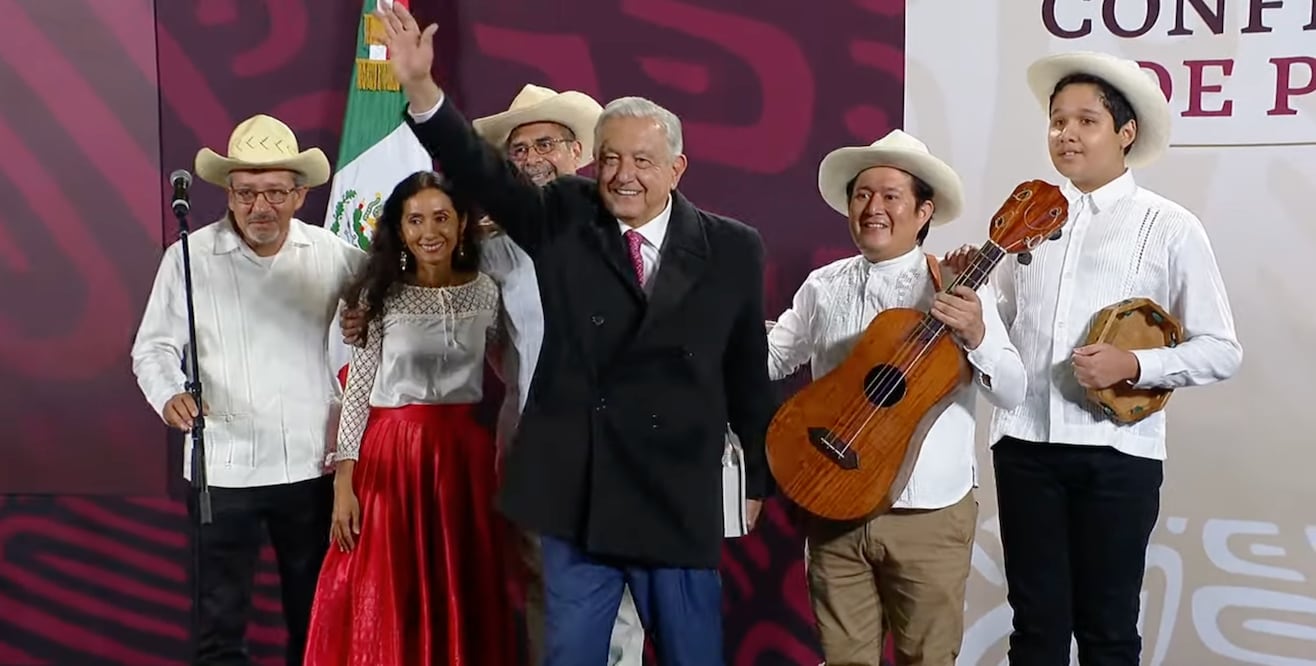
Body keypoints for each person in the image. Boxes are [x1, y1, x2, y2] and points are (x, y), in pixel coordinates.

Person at [372, 4, 777, 664]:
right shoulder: (564, 214)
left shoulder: (733, 248)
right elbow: (482, 172)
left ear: (678, 168)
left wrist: (755, 479)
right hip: (577, 494)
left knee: (691, 655)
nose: (623, 175)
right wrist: (422, 90)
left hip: (676, 496)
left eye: (643, 160)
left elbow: (746, 373)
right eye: (612, 158)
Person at [946, 51, 1242, 665]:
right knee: (1035, 629)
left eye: (1086, 121)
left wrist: (1135, 367)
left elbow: (1222, 349)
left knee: (1108, 630)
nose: (1067, 134)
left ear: (1125, 133)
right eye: (1057, 121)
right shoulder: (1025, 221)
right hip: (1024, 447)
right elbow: (998, 329)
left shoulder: (1169, 226)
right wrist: (970, 304)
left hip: (1118, 455)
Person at [767, 130, 1026, 666]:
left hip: (928, 515)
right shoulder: (823, 285)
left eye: (890, 196)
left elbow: (1012, 389)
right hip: (834, 502)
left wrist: (978, 335)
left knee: (927, 659)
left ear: (922, 210)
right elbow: (771, 358)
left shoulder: (958, 287)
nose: (873, 208)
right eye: (862, 195)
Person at [130, 114, 366, 666]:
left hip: (310, 463)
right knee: (220, 618)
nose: (262, 207)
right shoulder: (189, 257)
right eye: (247, 193)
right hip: (223, 464)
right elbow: (153, 348)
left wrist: (364, 319)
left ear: (300, 194)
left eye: (276, 192)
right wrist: (168, 395)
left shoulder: (330, 251)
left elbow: (382, 301)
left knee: (313, 617)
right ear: (228, 193)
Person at [302, 171, 516, 665]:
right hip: (392, 457)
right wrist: (344, 482)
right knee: (390, 582)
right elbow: (357, 391)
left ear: (462, 223)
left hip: (464, 458)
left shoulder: (488, 290)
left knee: (461, 579)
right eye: (415, 220)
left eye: (441, 217)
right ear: (399, 230)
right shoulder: (378, 295)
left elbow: (511, 366)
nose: (429, 231)